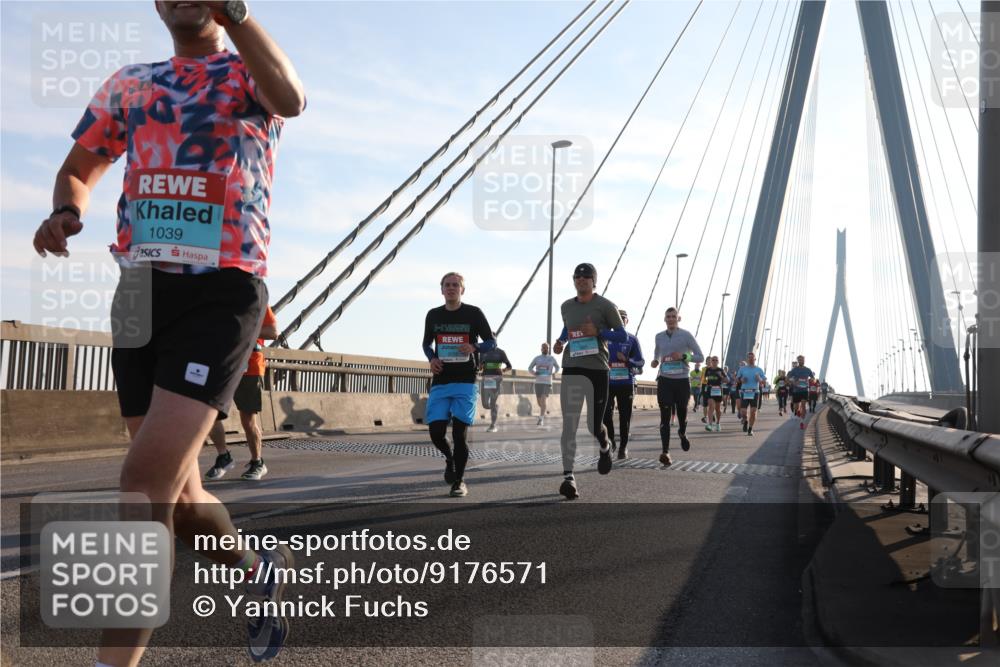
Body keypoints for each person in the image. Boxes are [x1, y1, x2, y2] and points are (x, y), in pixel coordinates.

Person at [31, 2, 305, 663]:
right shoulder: (133, 82)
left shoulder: (246, 73)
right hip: (139, 294)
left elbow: (291, 99)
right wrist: (67, 209)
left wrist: (237, 14)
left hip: (222, 290)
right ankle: (253, 567)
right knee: (179, 498)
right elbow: (80, 167)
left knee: (143, 479)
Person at [552, 263, 627, 499]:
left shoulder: (606, 306)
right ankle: (568, 477)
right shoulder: (565, 306)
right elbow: (567, 328)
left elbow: (621, 334)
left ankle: (605, 448)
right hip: (572, 368)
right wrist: (560, 341)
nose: (582, 280)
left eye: (586, 277)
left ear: (594, 281)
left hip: (597, 370)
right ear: (574, 280)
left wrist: (599, 333)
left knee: (594, 425)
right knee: (569, 424)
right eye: (578, 277)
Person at [422, 272, 495, 498]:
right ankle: (449, 458)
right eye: (447, 285)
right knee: (436, 432)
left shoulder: (474, 313)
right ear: (441, 289)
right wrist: (432, 358)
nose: (451, 288)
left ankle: (460, 481)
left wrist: (474, 347)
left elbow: (492, 342)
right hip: (441, 379)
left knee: (460, 434)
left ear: (462, 289)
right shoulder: (433, 315)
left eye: (456, 285)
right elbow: (426, 343)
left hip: (466, 379)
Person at [206, 305, 278, 480]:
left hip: (249, 367)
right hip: (222, 364)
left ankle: (257, 462)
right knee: (209, 413)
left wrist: (240, 328)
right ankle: (223, 457)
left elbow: (272, 332)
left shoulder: (256, 298)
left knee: (248, 419)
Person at [650, 307, 704, 466]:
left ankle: (682, 432)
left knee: (682, 412)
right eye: (668, 316)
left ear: (678, 319)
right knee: (665, 416)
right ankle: (665, 452)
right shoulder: (658, 336)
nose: (671, 319)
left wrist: (683, 356)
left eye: (674, 316)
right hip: (665, 380)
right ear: (665, 319)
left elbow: (700, 356)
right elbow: (657, 353)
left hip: (681, 381)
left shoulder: (686, 335)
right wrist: (654, 361)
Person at [603, 309, 644, 460]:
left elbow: (640, 362)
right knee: (605, 415)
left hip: (626, 383)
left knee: (624, 417)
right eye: (617, 318)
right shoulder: (604, 339)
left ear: (627, 321)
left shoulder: (632, 339)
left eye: (623, 318)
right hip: (608, 382)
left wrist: (627, 360)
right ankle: (612, 441)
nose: (620, 320)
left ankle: (623, 447)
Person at [478, 338, 512, 432]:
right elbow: (480, 366)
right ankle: (494, 407)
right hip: (486, 379)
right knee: (485, 404)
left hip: (496, 379)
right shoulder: (483, 352)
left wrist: (503, 370)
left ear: (495, 340)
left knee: (492, 401)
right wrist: (480, 366)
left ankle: (493, 425)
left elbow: (509, 366)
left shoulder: (501, 352)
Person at [736, 351, 767, 436]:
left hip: (755, 392)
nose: (750, 359)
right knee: (743, 412)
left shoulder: (759, 369)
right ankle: (745, 421)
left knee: (753, 412)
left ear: (755, 359)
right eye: (749, 357)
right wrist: (741, 380)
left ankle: (750, 429)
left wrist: (759, 379)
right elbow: (737, 379)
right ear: (747, 359)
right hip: (744, 392)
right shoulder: (742, 369)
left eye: (752, 357)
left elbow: (764, 381)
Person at [528, 343, 559, 426]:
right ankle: (543, 410)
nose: (545, 349)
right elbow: (529, 368)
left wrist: (554, 372)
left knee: (543, 400)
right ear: (541, 349)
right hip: (538, 382)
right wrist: (534, 373)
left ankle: (541, 419)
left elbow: (557, 367)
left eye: (547, 348)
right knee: (539, 402)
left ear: (548, 349)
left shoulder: (552, 358)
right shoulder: (537, 358)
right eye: (544, 348)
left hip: (547, 382)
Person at [786, 355, 816, 429]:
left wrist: (812, 380)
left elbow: (813, 378)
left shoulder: (808, 370)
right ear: (798, 361)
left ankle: (802, 422)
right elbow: (787, 378)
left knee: (803, 405)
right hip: (796, 391)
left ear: (804, 360)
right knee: (796, 408)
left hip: (805, 390)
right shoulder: (794, 369)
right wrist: (792, 383)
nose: (801, 361)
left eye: (802, 360)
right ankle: (798, 411)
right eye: (799, 360)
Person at [701, 356, 727, 431]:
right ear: (711, 361)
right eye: (713, 360)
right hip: (710, 389)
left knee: (717, 408)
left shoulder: (720, 370)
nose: (714, 361)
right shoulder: (707, 370)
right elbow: (705, 379)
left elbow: (727, 380)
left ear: (718, 362)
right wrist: (705, 381)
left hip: (718, 390)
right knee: (711, 406)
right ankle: (709, 424)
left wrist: (722, 377)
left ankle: (718, 423)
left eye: (716, 360)